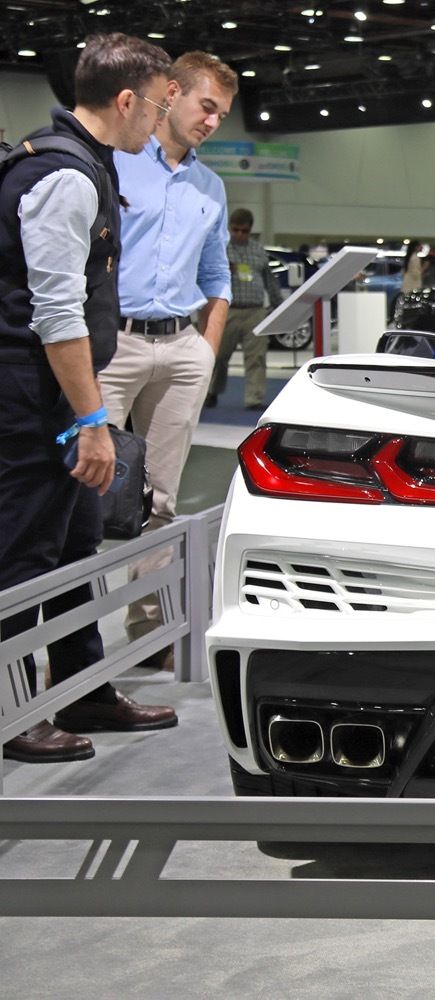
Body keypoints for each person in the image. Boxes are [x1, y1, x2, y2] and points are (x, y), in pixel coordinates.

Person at [1, 33, 178, 763]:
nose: (160, 125)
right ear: (127, 100)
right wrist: (93, 420)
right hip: (30, 397)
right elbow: (56, 314)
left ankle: (83, 689)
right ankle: (14, 711)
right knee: (22, 557)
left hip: (53, 391)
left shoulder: (84, 163)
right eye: (159, 109)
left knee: (75, 547)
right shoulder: (64, 176)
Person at [98, 49, 236, 671]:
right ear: (172, 93)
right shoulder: (116, 162)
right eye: (206, 106)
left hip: (181, 348)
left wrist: (205, 352)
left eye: (222, 114)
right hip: (113, 345)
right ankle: (70, 648)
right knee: (86, 496)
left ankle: (149, 633)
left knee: (160, 500)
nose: (212, 122)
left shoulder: (211, 186)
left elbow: (216, 276)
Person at [207, 207, 282, 409]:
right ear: (229, 228)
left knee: (256, 357)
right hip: (227, 310)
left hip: (255, 312)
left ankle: (254, 399)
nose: (240, 234)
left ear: (250, 230)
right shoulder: (220, 249)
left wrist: (279, 306)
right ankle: (211, 391)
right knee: (218, 356)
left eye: (244, 231)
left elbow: (270, 280)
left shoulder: (258, 250)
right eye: (236, 230)